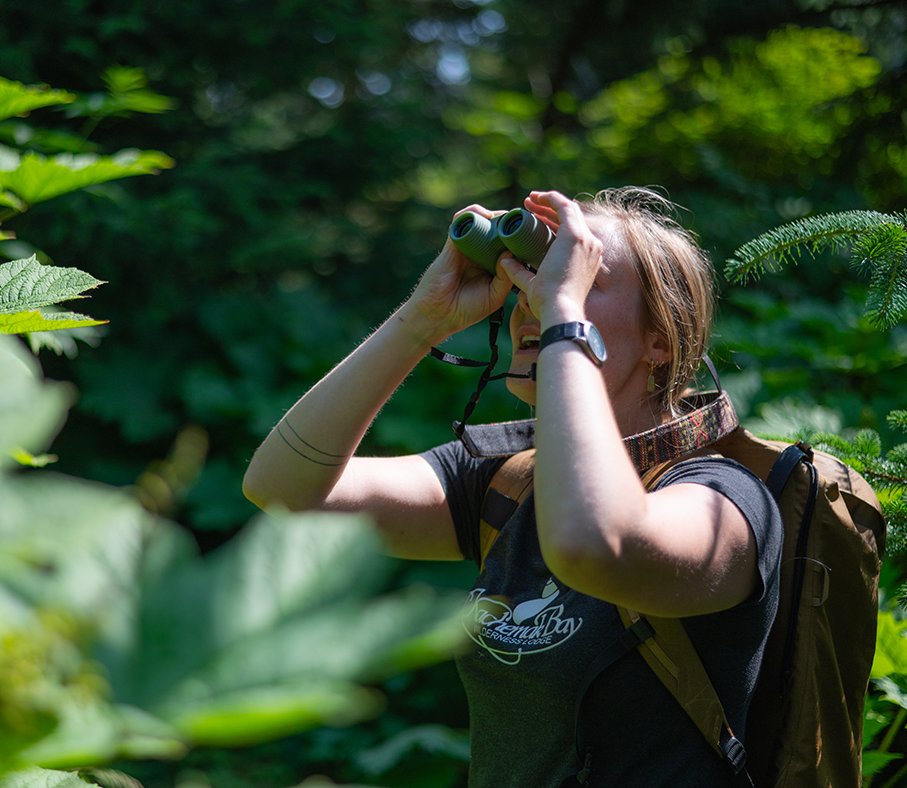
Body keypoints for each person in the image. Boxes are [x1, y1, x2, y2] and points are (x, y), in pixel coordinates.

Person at [243, 188, 782, 787]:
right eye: (534, 274)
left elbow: (593, 544)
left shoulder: (725, 500)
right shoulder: (508, 481)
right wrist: (424, 318)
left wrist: (560, 309)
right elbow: (285, 491)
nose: (532, 301)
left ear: (660, 341)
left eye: (581, 275)